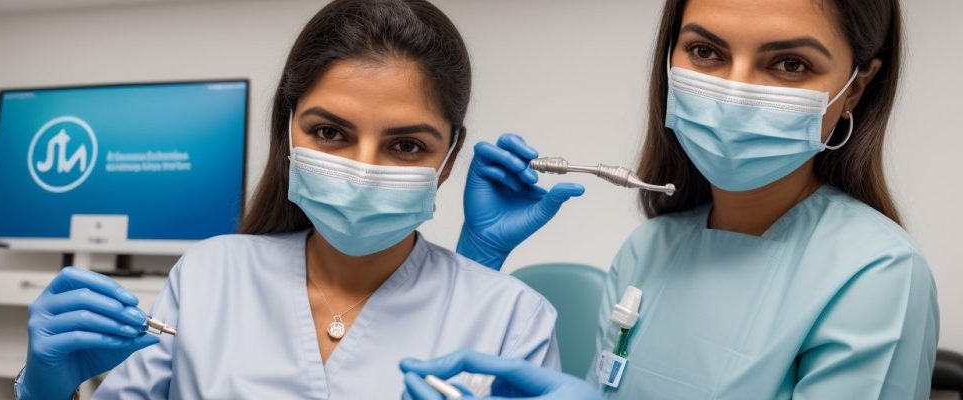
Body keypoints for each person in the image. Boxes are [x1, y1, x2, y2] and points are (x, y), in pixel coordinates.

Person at [15, 1, 575, 399]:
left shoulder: (513, 319)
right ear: (288, 132)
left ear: (449, 158)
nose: (361, 169)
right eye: (330, 132)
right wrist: (50, 391)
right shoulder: (210, 276)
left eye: (406, 145)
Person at [402, 0, 939, 398]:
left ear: (857, 87)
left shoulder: (877, 275)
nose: (735, 90)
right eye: (706, 52)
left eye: (790, 64)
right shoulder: (649, 250)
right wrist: (480, 258)